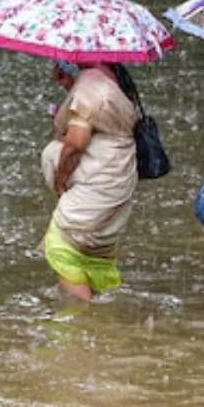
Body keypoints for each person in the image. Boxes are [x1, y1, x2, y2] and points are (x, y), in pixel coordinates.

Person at [41, 61, 139, 301]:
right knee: (96, 255)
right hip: (117, 179)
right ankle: (105, 324)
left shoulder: (90, 88)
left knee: (61, 245)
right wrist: (71, 88)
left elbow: (75, 143)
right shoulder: (112, 78)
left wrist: (60, 178)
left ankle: (81, 321)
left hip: (97, 184)